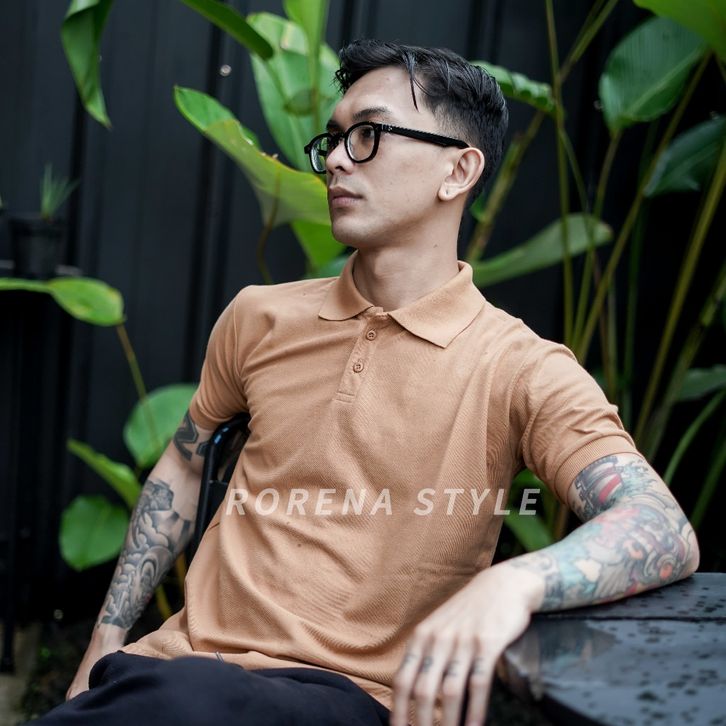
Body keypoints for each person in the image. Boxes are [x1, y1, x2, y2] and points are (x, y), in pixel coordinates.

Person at [36, 40, 699, 726]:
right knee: (177, 696)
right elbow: (185, 460)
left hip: (350, 698)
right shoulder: (259, 317)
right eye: (334, 139)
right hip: (170, 673)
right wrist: (104, 641)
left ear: (458, 170)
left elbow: (661, 525)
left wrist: (516, 583)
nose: (336, 160)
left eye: (369, 134)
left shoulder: (520, 367)